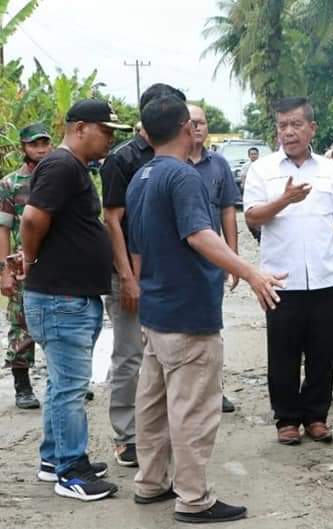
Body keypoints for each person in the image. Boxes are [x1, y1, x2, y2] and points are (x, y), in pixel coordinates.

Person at [127, 95, 284, 523]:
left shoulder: (141, 176)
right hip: (187, 311)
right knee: (193, 408)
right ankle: (194, 498)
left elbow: (137, 247)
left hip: (157, 309)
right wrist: (250, 271)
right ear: (184, 128)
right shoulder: (183, 177)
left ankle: (150, 481)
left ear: (146, 131)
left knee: (155, 404)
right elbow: (199, 234)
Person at [21, 99, 131, 501]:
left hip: (65, 296)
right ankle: (71, 469)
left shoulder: (72, 168)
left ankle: (54, 459)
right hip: (60, 298)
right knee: (69, 388)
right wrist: (31, 259)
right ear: (81, 127)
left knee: (59, 385)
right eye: (106, 131)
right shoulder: (62, 165)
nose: (109, 141)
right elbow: (32, 219)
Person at [244, 97, 333, 446]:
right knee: (283, 352)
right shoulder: (263, 170)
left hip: (327, 277)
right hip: (281, 279)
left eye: (295, 124)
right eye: (282, 125)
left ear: (312, 128)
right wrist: (283, 201)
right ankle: (287, 419)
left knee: (324, 351)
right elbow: (251, 216)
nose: (288, 132)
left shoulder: (329, 169)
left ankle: (316, 416)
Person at [101, 83, 186, 467]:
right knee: (129, 354)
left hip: (168, 273)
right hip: (131, 273)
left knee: (167, 352)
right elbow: (113, 221)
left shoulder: (177, 155)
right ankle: (127, 434)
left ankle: (159, 429)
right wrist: (128, 277)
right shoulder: (122, 159)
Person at [187, 103, 243, 413]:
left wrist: (232, 258)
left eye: (202, 122)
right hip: (179, 260)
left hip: (211, 260)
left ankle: (213, 390)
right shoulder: (170, 163)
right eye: (192, 122)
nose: (197, 127)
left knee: (211, 327)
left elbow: (228, 212)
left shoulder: (218, 164)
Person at [0, 122, 52, 409]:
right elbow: (3, 230)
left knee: (61, 324)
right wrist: (5, 270)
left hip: (56, 263)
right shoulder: (11, 185)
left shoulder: (58, 178)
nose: (41, 150)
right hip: (22, 265)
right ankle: (22, 386)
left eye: (45, 144)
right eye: (35, 145)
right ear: (24, 148)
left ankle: (64, 383)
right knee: (21, 325)